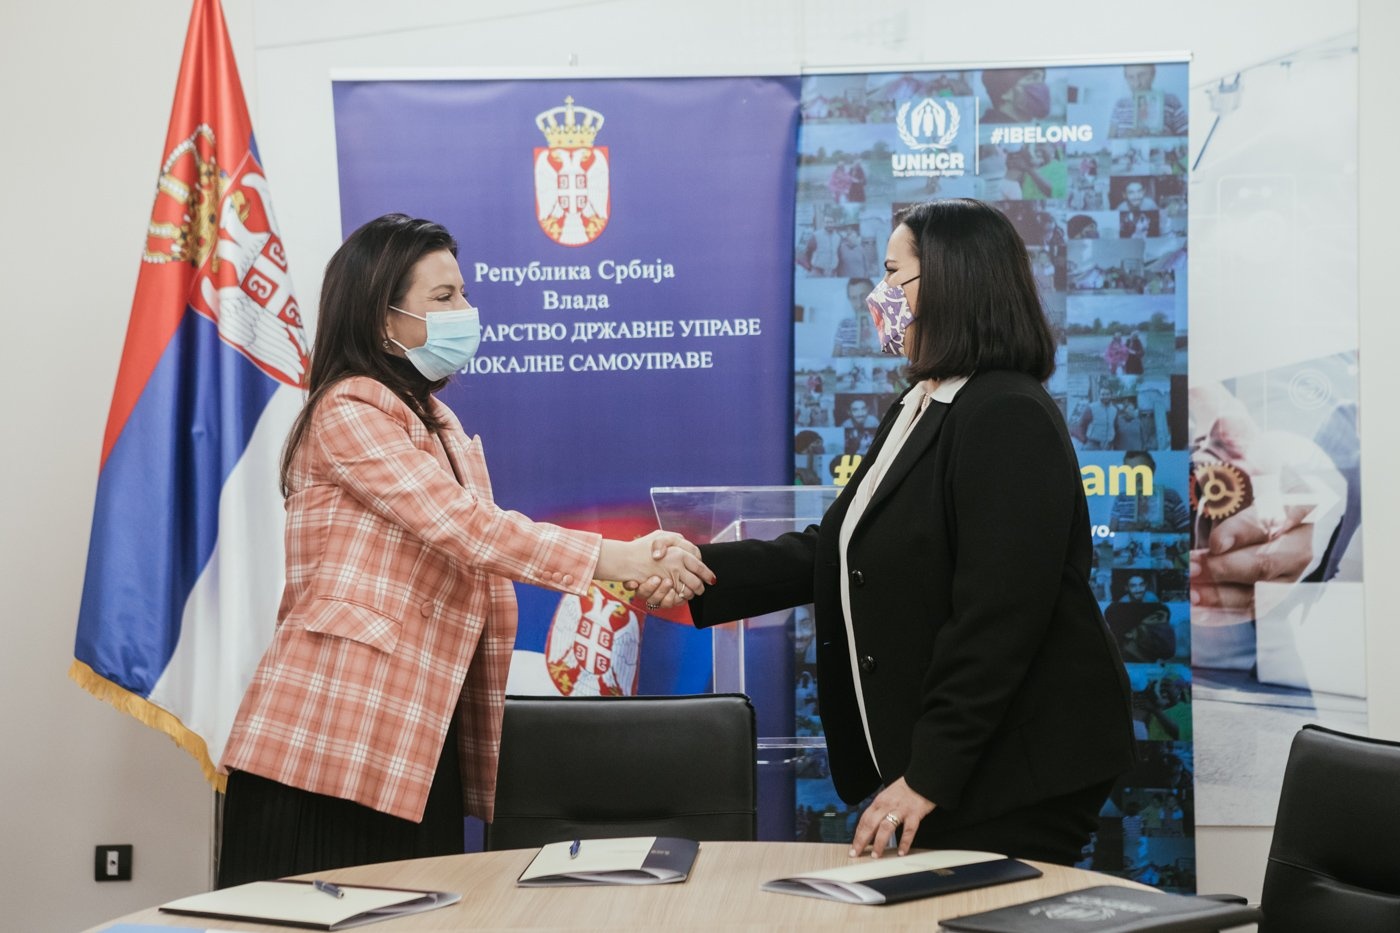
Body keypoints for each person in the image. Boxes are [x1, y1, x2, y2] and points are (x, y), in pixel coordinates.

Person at [217, 213, 713, 887]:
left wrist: (623, 564)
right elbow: (467, 528)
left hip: (417, 736)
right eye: (443, 296)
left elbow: (479, 537)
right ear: (383, 320)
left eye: (464, 294)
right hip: (332, 738)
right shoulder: (348, 410)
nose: (465, 311)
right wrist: (619, 560)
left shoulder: (438, 422)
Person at [663, 199, 1135, 865]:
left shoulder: (1005, 413)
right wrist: (696, 569)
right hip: (967, 759)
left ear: (947, 282)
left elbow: (999, 618)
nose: (876, 294)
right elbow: (840, 548)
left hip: (1015, 766)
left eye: (891, 273)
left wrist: (928, 774)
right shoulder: (924, 403)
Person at [1109, 64, 1188, 138]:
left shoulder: (1171, 101)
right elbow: (1109, 143)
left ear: (1153, 74)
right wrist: (1124, 139)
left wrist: (1167, 139)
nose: (1137, 83)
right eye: (1131, 77)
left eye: (1141, 75)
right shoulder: (1120, 105)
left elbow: (1188, 139)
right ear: (1125, 78)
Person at [982, 68, 1051, 124]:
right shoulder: (985, 132)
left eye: (1042, 79)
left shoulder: (1031, 132)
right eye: (1033, 78)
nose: (1041, 85)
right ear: (1006, 93)